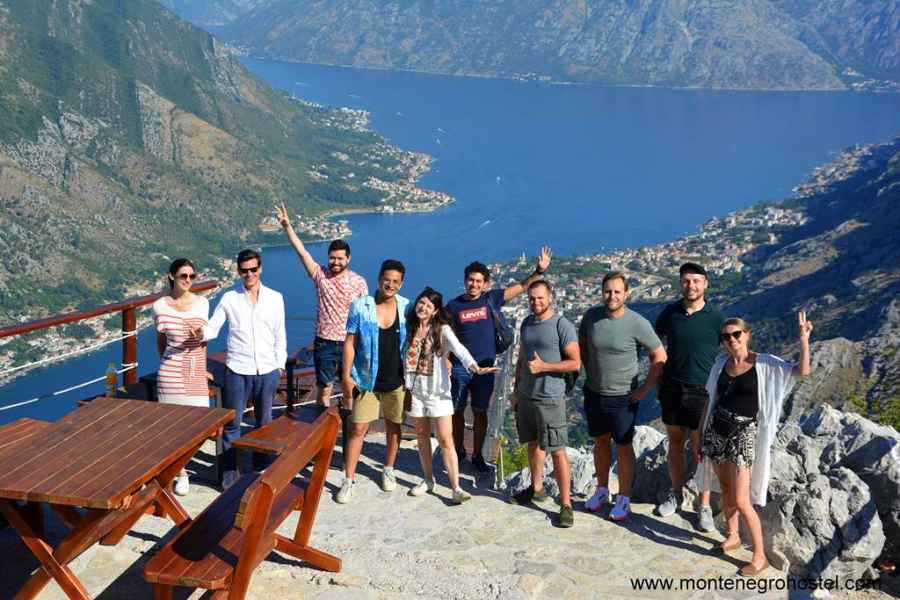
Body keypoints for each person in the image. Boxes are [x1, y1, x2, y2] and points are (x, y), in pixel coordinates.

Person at [697, 312, 812, 577]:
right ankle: (733, 535)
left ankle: (758, 556)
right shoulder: (720, 364)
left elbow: (802, 372)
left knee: (741, 498)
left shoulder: (765, 364)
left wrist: (803, 340)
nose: (731, 340)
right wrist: (700, 435)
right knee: (724, 489)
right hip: (716, 429)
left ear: (747, 335)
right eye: (726, 336)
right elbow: (709, 400)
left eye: (736, 334)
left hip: (743, 433)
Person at [446, 247, 552, 473]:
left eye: (478, 281)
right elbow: (444, 334)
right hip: (460, 367)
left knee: (480, 412)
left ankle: (477, 455)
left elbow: (523, 287)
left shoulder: (491, 299)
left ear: (485, 284)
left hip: (486, 366)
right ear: (465, 281)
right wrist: (446, 359)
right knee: (456, 411)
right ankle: (457, 450)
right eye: (470, 280)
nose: (474, 284)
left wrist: (538, 271)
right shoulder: (453, 307)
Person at [192, 249, 287, 488]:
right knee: (232, 426)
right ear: (238, 272)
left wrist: (279, 365)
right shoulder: (229, 298)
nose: (249, 274)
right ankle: (228, 479)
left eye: (253, 269)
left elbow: (280, 335)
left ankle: (261, 472)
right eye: (244, 271)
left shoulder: (276, 298)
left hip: (267, 370)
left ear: (260, 269)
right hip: (237, 369)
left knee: (264, 423)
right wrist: (200, 332)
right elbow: (214, 327)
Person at [580, 272, 667, 521]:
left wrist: (644, 389)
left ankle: (624, 498)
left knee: (624, 445)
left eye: (617, 291)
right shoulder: (591, 317)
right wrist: (589, 370)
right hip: (595, 392)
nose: (612, 296)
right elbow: (583, 344)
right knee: (600, 441)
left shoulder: (637, 322)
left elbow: (659, 355)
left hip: (623, 397)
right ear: (602, 292)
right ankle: (601, 490)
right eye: (608, 291)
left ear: (626, 294)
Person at [404, 287, 498, 504]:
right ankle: (428, 479)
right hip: (416, 392)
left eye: (429, 305)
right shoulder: (410, 328)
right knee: (421, 436)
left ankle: (456, 488)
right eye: (421, 302)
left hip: (438, 394)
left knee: (446, 439)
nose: (423, 307)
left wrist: (475, 367)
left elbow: (460, 350)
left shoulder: (442, 330)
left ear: (435, 311)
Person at [275, 204, 368, 407]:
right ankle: (321, 424)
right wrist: (287, 227)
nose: (335, 262)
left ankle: (350, 425)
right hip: (324, 342)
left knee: (349, 385)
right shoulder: (320, 276)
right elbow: (302, 253)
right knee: (324, 387)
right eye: (332, 258)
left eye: (340, 258)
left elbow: (366, 316)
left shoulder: (359, 282)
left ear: (348, 259)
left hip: (349, 342)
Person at [653, 262, 724, 530]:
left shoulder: (716, 317)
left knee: (701, 449)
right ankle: (676, 493)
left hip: (703, 391)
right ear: (680, 284)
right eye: (686, 281)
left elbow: (731, 346)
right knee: (674, 442)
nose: (691, 286)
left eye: (696, 281)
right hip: (672, 388)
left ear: (705, 284)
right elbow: (655, 339)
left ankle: (704, 504)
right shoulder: (670, 313)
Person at [509, 280, 580, 528]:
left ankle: (566, 504)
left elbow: (575, 362)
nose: (536, 302)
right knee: (533, 442)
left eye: (540, 298)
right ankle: (536, 488)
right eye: (532, 299)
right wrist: (516, 390)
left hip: (550, 397)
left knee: (557, 449)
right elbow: (521, 359)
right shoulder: (527, 323)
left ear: (550, 297)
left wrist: (544, 367)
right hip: (527, 395)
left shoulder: (562, 325)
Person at [337, 259, 409, 504]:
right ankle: (348, 480)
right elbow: (349, 343)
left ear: (401, 284)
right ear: (379, 279)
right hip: (366, 380)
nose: (390, 284)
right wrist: (346, 376)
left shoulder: (407, 308)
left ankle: (388, 469)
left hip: (396, 380)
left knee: (394, 426)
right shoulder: (360, 306)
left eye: (395, 281)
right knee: (358, 428)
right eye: (386, 279)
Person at [152, 258, 211, 496]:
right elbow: (160, 340)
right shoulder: (159, 306)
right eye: (183, 276)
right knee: (172, 428)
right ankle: (181, 473)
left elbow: (204, 341)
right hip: (170, 372)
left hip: (195, 370)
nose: (187, 280)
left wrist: (203, 368)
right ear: (171, 277)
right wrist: (165, 363)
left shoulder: (203, 303)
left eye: (191, 276)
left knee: (201, 426)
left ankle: (180, 466)